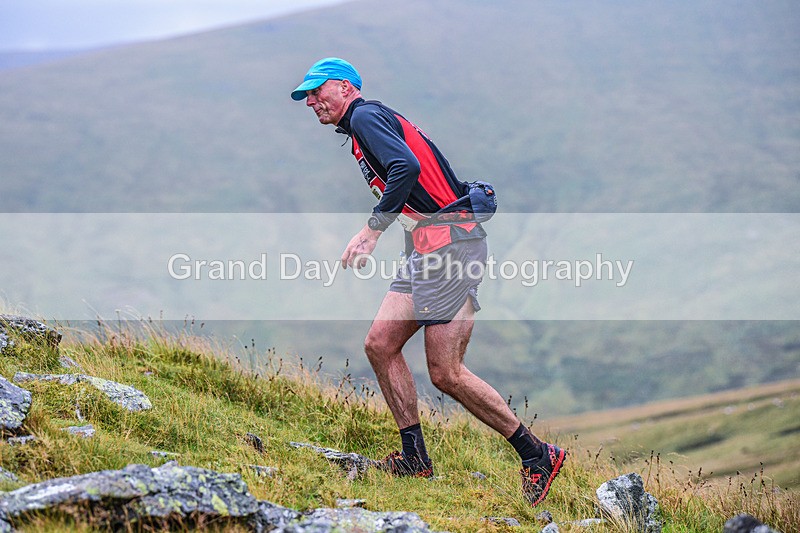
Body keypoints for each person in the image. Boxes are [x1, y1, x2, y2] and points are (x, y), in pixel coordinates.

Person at [290, 57, 566, 507]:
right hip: (429, 248)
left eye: (317, 91)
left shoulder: (364, 116)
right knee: (380, 344)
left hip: (451, 249)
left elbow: (405, 166)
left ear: (345, 87)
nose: (311, 101)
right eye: (307, 96)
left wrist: (372, 230)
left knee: (446, 373)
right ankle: (415, 458)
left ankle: (537, 454)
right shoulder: (366, 124)